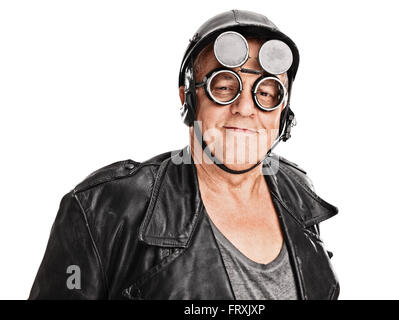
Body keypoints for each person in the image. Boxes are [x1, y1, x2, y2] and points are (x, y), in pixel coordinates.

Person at [29, 9, 340, 300]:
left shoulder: (298, 193)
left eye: (266, 93)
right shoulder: (103, 208)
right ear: (188, 99)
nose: (245, 108)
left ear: (283, 114)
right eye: (223, 87)